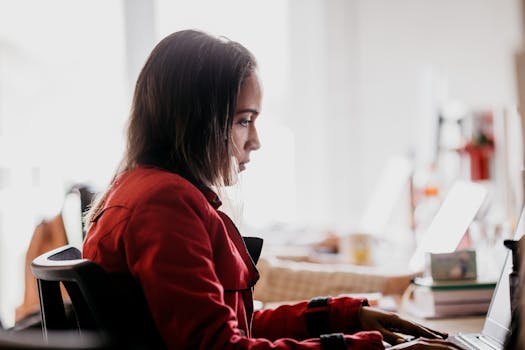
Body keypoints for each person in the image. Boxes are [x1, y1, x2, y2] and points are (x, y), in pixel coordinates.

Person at [83, 29, 462, 349]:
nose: (256, 141)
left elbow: (235, 326)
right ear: (195, 121)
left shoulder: (144, 191)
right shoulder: (164, 205)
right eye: (244, 121)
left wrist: (343, 315)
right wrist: (363, 346)